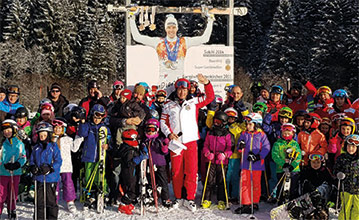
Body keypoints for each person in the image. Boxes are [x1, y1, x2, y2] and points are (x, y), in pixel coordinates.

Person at [160, 74, 214, 211]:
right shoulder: (168, 104)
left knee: (191, 171)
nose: (182, 92)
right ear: (176, 89)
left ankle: (190, 198)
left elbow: (210, 97)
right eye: (179, 89)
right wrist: (169, 133)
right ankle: (178, 197)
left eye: (184, 90)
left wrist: (207, 83)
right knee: (176, 171)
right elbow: (162, 122)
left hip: (190, 142)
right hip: (176, 143)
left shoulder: (194, 101)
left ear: (188, 90)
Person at [129, 10, 214, 89]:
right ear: (166, 29)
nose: (171, 30)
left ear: (177, 28)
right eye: (169, 27)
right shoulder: (158, 42)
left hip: (179, 84)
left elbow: (205, 39)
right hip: (163, 83)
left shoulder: (184, 42)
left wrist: (210, 20)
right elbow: (137, 37)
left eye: (173, 27)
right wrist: (132, 19)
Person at [235, 113, 270, 214]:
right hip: (245, 164)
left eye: (250, 124)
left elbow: (266, 148)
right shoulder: (244, 134)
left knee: (255, 184)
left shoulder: (262, 135)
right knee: (245, 183)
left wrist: (258, 156)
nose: (247, 126)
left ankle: (254, 202)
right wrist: (240, 146)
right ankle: (246, 203)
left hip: (257, 165)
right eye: (247, 124)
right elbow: (239, 146)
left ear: (256, 124)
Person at [78, 104, 110, 210]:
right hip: (89, 156)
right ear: (92, 115)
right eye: (96, 116)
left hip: (100, 157)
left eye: (100, 116)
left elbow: (110, 139)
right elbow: (82, 133)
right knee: (88, 175)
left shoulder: (104, 128)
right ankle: (89, 194)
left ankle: (103, 193)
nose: (97, 119)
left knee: (100, 176)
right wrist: (82, 122)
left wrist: (108, 145)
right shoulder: (88, 126)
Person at [29, 122, 62, 220]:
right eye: (40, 135)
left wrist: (51, 168)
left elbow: (58, 161)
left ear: (49, 135)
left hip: (50, 179)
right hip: (39, 178)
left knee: (50, 201)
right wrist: (32, 167)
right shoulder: (36, 148)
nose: (42, 137)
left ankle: (51, 218)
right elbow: (32, 160)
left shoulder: (53, 147)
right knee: (39, 202)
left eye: (44, 135)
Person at [202, 111, 232, 210]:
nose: (215, 124)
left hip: (222, 161)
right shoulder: (210, 132)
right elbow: (205, 145)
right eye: (215, 121)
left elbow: (230, 148)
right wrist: (207, 153)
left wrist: (225, 154)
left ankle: (221, 200)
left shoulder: (227, 134)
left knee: (221, 181)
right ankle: (207, 199)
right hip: (211, 160)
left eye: (218, 122)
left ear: (223, 123)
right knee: (209, 180)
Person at [52, 118, 83, 213]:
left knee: (68, 183)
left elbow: (74, 149)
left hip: (66, 165)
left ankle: (70, 201)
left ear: (63, 129)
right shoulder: (50, 139)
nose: (57, 130)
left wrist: (79, 137)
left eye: (60, 128)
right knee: (54, 184)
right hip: (54, 166)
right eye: (55, 128)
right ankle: (53, 200)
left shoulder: (68, 139)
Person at [141, 119, 172, 208]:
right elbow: (143, 150)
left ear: (157, 130)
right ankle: (151, 197)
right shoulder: (145, 141)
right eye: (148, 130)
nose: (150, 132)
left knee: (163, 181)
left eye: (153, 130)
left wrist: (164, 148)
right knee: (150, 181)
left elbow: (165, 153)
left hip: (160, 164)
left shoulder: (159, 140)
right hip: (149, 164)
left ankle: (165, 198)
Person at [117, 129, 148, 215]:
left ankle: (128, 203)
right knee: (132, 191)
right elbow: (130, 163)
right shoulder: (128, 150)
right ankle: (123, 205)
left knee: (133, 188)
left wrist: (142, 150)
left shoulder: (128, 148)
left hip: (131, 172)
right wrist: (139, 158)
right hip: (129, 173)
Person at [0, 120, 26, 219]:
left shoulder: (19, 144)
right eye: (4, 130)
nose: (6, 132)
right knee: (1, 193)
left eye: (9, 130)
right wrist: (4, 165)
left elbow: (23, 157)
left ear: (14, 130)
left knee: (13, 192)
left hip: (15, 172)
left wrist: (17, 164)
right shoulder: (2, 144)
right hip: (2, 172)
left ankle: (12, 209)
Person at [271, 123, 302, 204]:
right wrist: (283, 164)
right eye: (284, 133)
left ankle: (292, 203)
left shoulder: (295, 144)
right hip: (281, 169)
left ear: (293, 134)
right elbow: (275, 155)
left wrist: (293, 165)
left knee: (293, 188)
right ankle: (280, 202)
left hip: (294, 170)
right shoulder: (278, 144)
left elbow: (299, 157)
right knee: (281, 187)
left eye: (288, 133)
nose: (286, 135)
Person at [333, 134, 359, 220]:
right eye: (349, 146)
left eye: (353, 147)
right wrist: (339, 174)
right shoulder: (341, 158)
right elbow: (335, 169)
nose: (351, 149)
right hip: (346, 188)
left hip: (358, 189)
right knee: (345, 208)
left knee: (357, 209)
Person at [224, 107, 246, 203]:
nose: (230, 120)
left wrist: (244, 110)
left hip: (236, 156)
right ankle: (226, 194)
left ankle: (234, 195)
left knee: (235, 177)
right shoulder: (223, 128)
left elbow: (247, 122)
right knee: (226, 177)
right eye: (228, 118)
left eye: (232, 118)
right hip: (225, 156)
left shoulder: (239, 127)